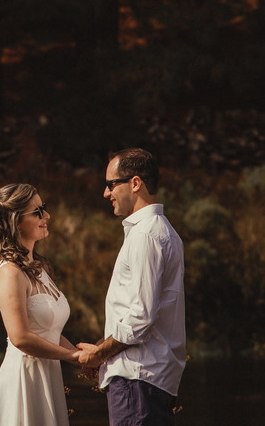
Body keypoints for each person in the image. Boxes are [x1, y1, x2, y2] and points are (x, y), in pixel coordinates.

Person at [77, 148, 186, 426]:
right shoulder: (162, 231)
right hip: (148, 379)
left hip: (137, 378)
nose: (106, 193)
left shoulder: (145, 235)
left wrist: (99, 354)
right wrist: (103, 346)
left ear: (135, 183)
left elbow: (141, 317)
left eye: (111, 184)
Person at [0, 183, 84, 426]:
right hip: (23, 380)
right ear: (16, 221)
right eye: (37, 212)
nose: (46, 216)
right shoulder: (10, 272)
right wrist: (73, 355)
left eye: (44, 208)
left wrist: (79, 357)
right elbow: (20, 337)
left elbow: (49, 331)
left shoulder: (39, 268)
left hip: (48, 376)